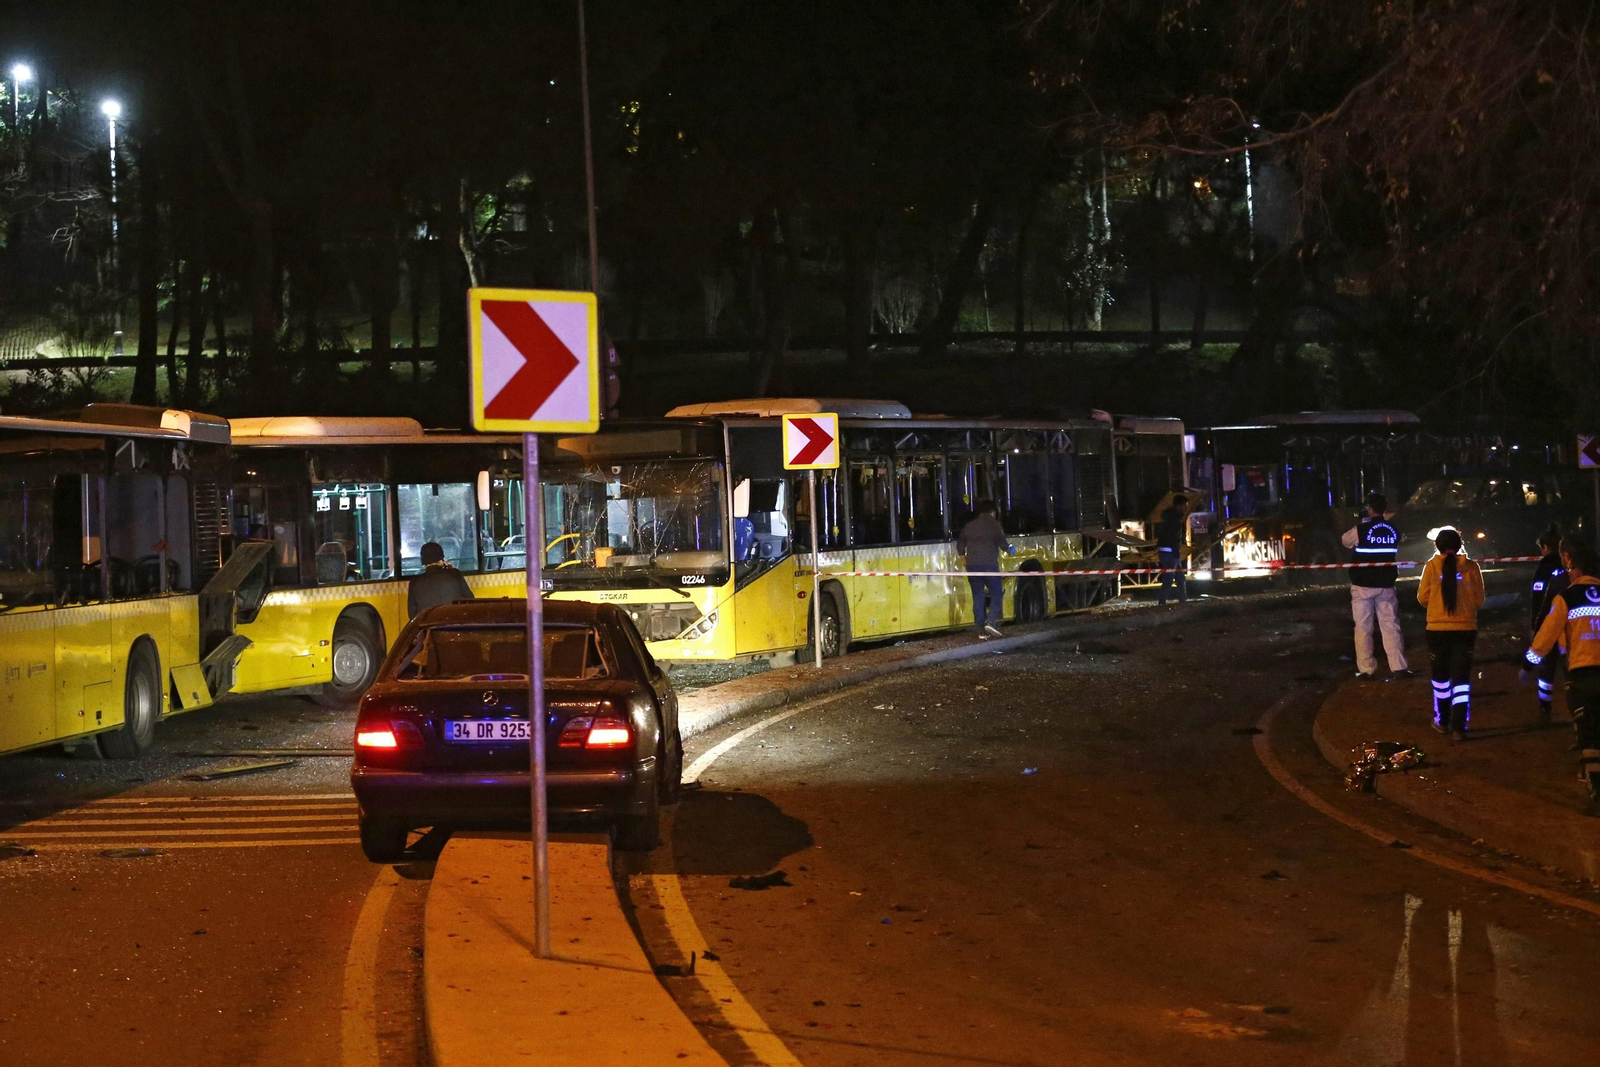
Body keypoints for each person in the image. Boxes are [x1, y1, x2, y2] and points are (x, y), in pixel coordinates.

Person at [1523, 537, 1600, 812]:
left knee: (1588, 734)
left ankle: (1596, 792)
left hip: (1581, 674)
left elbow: (1546, 636)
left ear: (1576, 570)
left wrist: (1528, 663)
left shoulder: (1566, 597)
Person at [1417, 527, 1484, 739]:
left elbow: (1422, 598)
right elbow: (1479, 600)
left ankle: (1442, 721)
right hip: (1465, 630)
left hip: (1436, 630)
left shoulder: (1431, 567)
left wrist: (1438, 604)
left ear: (1437, 546)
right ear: (1458, 545)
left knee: (1441, 680)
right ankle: (1459, 726)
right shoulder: (1471, 567)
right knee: (1461, 679)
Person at [1340, 492, 1411, 680]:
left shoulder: (1361, 530)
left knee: (1363, 628)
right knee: (1391, 626)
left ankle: (1366, 670)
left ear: (1370, 509)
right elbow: (1400, 540)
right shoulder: (1393, 530)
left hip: (1363, 585)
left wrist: (1363, 526)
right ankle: (1399, 667)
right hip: (1386, 585)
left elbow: (1345, 541)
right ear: (1384, 509)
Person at [1529, 524, 1568, 721]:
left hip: (1548, 623)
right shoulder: (1568, 566)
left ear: (1545, 547)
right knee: (1570, 669)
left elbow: (1538, 600)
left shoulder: (1543, 568)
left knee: (1546, 670)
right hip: (1570, 626)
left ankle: (1545, 709)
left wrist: (1535, 627)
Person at [957, 500, 1010, 639]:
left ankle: (981, 630)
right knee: (997, 592)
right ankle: (991, 622)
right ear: (992, 512)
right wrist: (1010, 549)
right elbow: (1003, 544)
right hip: (989, 565)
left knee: (978, 596)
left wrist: (966, 562)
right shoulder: (994, 525)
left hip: (972, 567)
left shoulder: (969, 525)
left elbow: (960, 546)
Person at [407, 541, 473, 619]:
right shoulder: (455, 574)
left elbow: (412, 615)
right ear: (441, 559)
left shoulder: (414, 582)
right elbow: (470, 601)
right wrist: (451, 571)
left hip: (428, 629)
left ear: (423, 562)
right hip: (454, 626)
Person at [1155, 494, 1188, 607]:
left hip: (1168, 551)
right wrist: (1175, 550)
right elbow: (1172, 536)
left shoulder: (1170, 517)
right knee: (1169, 578)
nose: (1185, 508)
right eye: (1184, 505)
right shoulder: (1174, 519)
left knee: (1180, 577)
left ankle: (1183, 600)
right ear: (1178, 505)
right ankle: (1162, 603)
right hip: (1170, 552)